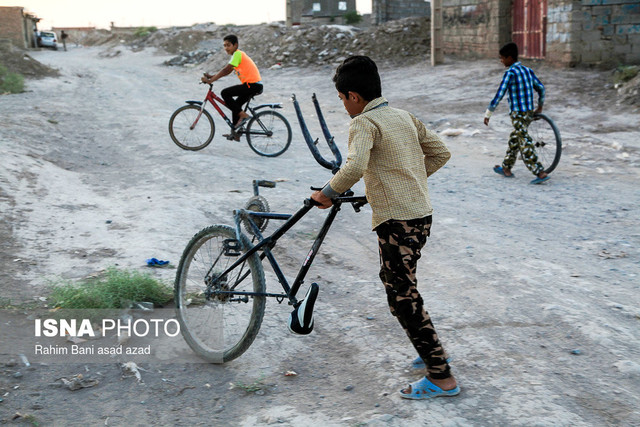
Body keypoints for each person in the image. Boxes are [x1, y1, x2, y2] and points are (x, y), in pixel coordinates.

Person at [310, 56, 459, 399]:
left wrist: (327, 194)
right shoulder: (404, 118)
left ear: (354, 97)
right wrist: (407, 183)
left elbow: (354, 166)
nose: (344, 106)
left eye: (342, 99)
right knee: (405, 290)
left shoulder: (364, 123)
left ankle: (441, 376)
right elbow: (441, 153)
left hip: (397, 223)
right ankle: (433, 354)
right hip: (421, 217)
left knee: (401, 297)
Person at [484, 42, 549, 184]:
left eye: (502, 58)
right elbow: (541, 88)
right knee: (516, 137)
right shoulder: (527, 70)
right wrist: (540, 107)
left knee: (524, 140)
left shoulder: (510, 73)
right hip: (528, 113)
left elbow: (499, 94)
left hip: (517, 114)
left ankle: (539, 171)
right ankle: (506, 168)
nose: (501, 61)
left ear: (509, 58)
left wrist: (488, 113)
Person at [201, 34, 262, 139]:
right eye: (224, 46)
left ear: (235, 45)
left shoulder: (238, 54)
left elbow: (226, 70)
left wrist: (211, 80)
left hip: (252, 86)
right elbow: (227, 71)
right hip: (253, 86)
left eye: (228, 45)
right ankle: (236, 133)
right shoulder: (237, 55)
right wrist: (212, 76)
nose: (226, 48)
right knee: (236, 106)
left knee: (225, 93)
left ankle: (243, 116)